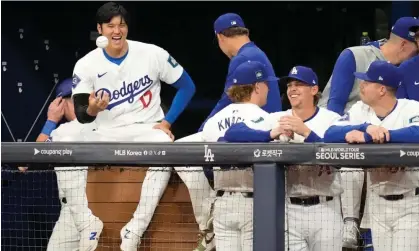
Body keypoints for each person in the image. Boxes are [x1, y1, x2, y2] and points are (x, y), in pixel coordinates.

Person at [69, 2, 196, 251]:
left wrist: (167, 121)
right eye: (110, 26)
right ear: (100, 29)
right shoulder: (86, 64)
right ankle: (87, 224)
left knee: (165, 148)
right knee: (66, 151)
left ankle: (135, 228)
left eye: (121, 25)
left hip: (144, 127)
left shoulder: (152, 53)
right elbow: (83, 115)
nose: (117, 31)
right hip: (104, 131)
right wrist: (94, 108)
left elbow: (187, 86)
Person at [318, 16, 419, 248]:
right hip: (378, 204)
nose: (361, 86)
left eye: (367, 82)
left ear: (382, 89)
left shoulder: (410, 108)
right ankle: (350, 222)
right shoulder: (361, 110)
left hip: (410, 201)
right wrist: (364, 130)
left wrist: (386, 136)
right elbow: (330, 132)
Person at [224, 66, 343, 251]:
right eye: (290, 85)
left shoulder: (332, 119)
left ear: (314, 90)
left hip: (326, 208)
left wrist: (306, 132)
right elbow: (233, 132)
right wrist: (272, 132)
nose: (292, 89)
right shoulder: (277, 118)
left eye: (299, 84)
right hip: (289, 208)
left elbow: (340, 157)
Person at [201, 60, 278, 251]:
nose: (268, 88)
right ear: (258, 87)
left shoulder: (213, 121)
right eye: (267, 84)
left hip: (222, 202)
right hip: (255, 202)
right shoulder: (265, 120)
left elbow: (207, 167)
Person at [24, 79, 102, 251]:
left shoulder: (62, 132)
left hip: (76, 210)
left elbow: (26, 162)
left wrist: (51, 120)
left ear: (62, 102)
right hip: (105, 202)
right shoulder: (104, 125)